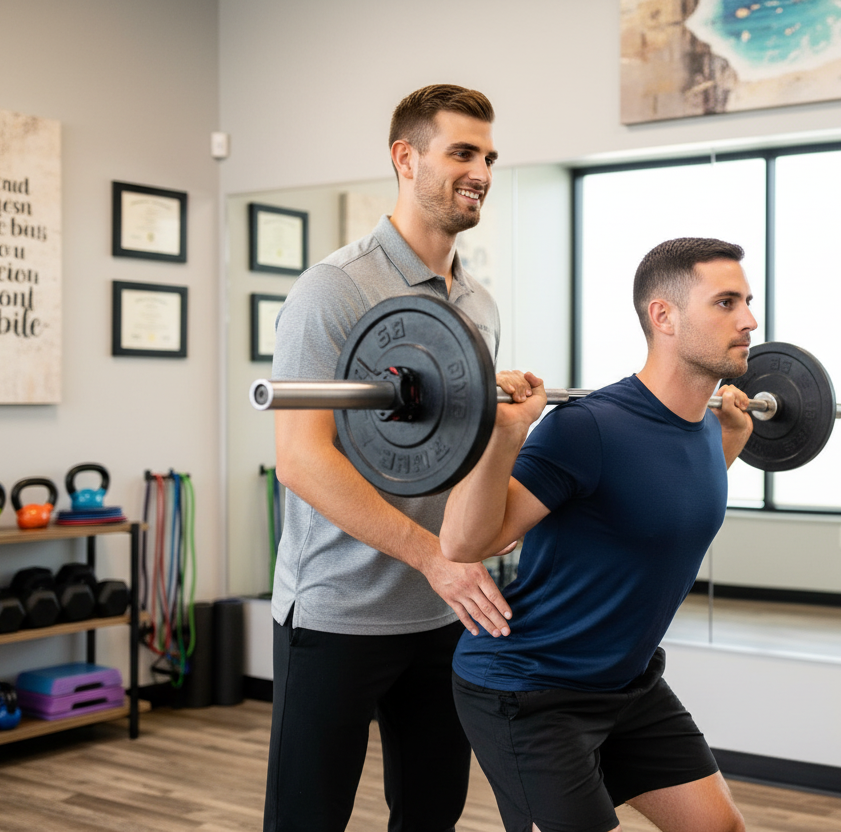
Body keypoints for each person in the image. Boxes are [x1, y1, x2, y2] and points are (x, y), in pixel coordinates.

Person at [440, 238, 754, 832]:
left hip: (628, 685)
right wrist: (505, 435)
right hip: (530, 690)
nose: (749, 320)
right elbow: (464, 542)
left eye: (748, 301)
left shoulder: (709, 430)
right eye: (726, 303)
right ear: (663, 316)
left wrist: (732, 440)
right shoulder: (586, 429)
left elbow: (664, 501)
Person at [264, 84, 513, 832]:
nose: (482, 172)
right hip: (339, 611)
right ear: (406, 159)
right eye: (462, 152)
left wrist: (502, 430)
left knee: (432, 813)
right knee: (307, 818)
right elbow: (302, 461)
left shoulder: (479, 306)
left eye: (490, 156)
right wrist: (434, 556)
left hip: (441, 609)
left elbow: (456, 451)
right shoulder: (333, 289)